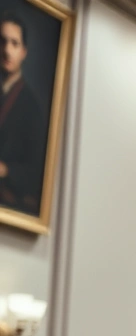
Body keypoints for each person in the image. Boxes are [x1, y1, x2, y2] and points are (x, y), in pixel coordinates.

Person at [0, 11, 46, 216]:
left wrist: (6, 170)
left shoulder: (31, 107)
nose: (7, 50)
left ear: (24, 51)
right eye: (2, 41)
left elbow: (36, 173)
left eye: (14, 43)